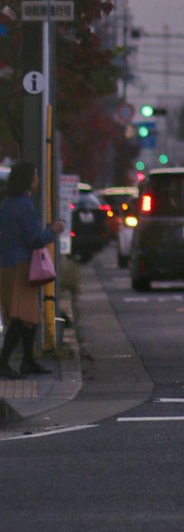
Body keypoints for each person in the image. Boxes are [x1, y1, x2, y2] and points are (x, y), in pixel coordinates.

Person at [0, 161, 63, 377]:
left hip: (7, 264)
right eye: (35, 175)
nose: (37, 179)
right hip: (22, 266)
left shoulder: (7, 203)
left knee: (28, 316)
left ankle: (27, 361)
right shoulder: (24, 204)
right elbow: (34, 240)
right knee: (21, 316)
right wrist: (53, 230)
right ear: (28, 179)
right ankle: (4, 361)